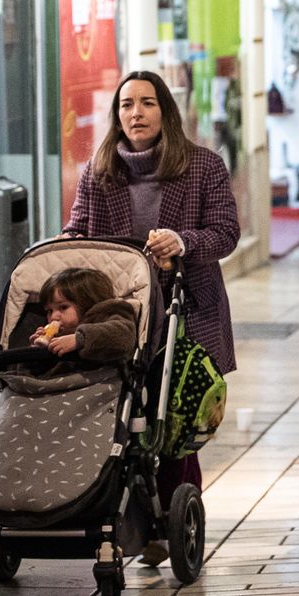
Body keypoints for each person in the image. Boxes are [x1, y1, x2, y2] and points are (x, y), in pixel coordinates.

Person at [64, 70, 240, 564]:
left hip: (187, 309)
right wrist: (66, 246)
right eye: (126, 105)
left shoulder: (203, 166)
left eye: (146, 103)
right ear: (116, 115)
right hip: (122, 315)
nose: (135, 113)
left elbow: (226, 232)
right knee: (125, 417)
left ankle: (172, 520)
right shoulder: (99, 171)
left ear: (165, 111)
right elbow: (78, 228)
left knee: (174, 418)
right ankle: (130, 513)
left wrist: (184, 242)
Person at [28, 268, 137, 365]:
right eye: (49, 310)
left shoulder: (107, 312)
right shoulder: (58, 334)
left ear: (87, 303)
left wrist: (80, 339)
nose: (53, 317)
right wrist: (37, 352)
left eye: (63, 307)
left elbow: (124, 337)